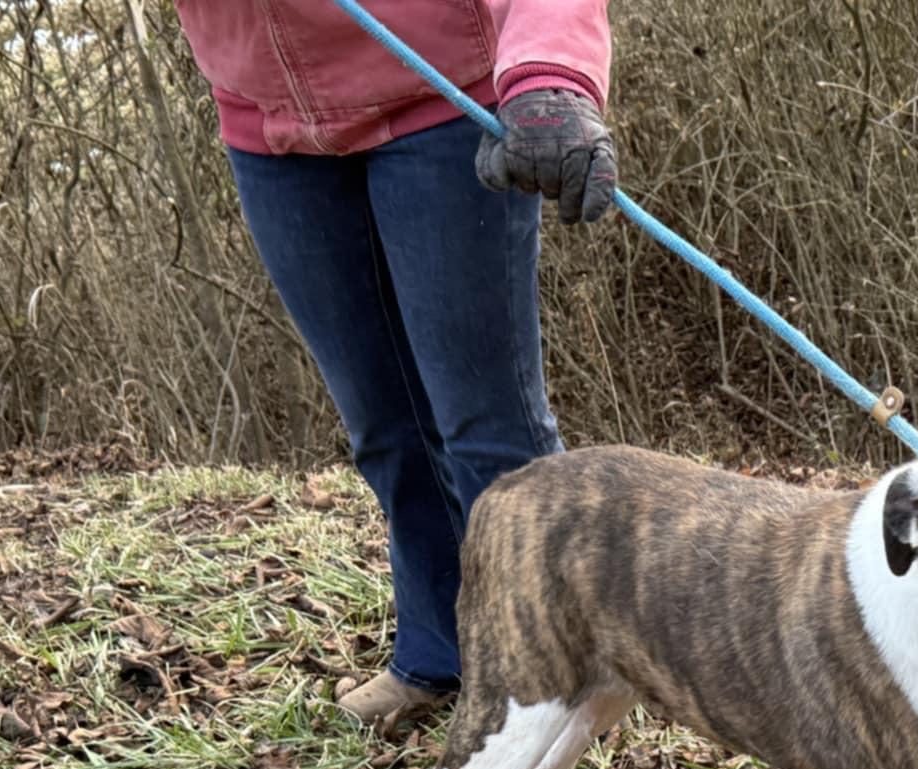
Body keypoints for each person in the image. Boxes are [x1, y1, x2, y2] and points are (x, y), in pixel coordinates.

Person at [170, 2, 616, 724]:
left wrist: (549, 72)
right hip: (270, 124)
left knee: (487, 426)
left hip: (441, 97)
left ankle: (552, 679)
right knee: (384, 427)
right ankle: (440, 657)